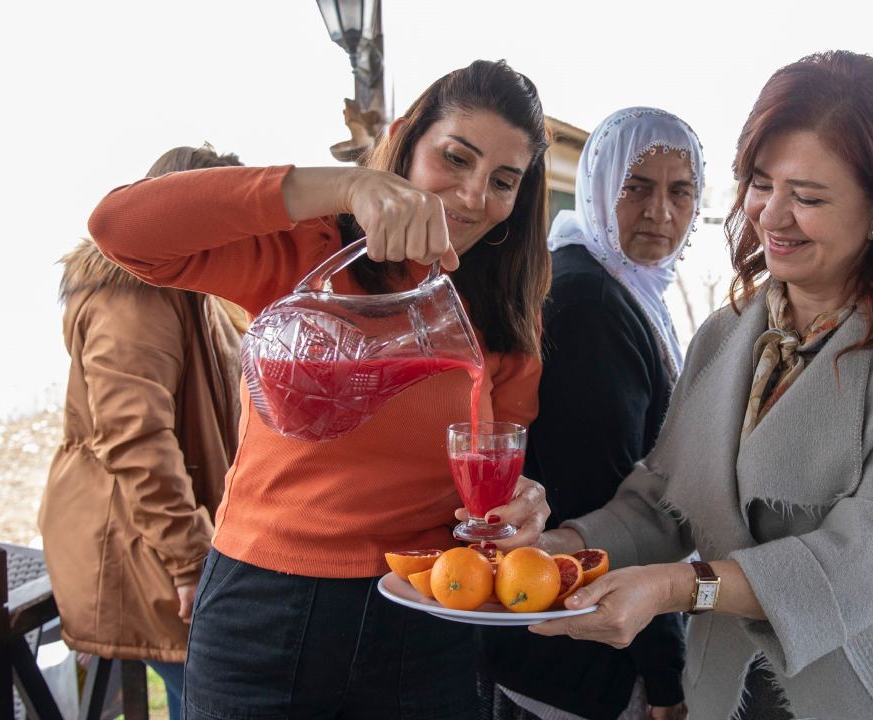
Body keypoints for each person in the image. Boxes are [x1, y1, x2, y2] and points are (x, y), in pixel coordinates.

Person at [529, 51, 873, 719]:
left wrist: (673, 588)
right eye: (760, 183)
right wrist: (564, 547)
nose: (770, 216)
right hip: (731, 691)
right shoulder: (728, 332)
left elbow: (857, 560)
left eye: (806, 196)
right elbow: (664, 502)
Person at [88, 60, 553, 719]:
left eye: (503, 182)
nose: (475, 196)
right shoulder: (310, 249)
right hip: (262, 610)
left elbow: (493, 462)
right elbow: (120, 229)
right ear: (405, 140)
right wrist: (346, 185)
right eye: (456, 158)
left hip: (427, 612)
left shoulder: (508, 309)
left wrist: (522, 506)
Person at [478, 108, 701, 720]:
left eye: (680, 190)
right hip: (582, 654)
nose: (661, 212)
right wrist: (667, 677)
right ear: (599, 186)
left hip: (568, 635)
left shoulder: (619, 284)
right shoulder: (593, 306)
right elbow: (608, 505)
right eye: (636, 187)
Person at [41, 144, 246, 720]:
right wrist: (188, 561)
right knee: (205, 695)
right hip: (139, 547)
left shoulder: (194, 285)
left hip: (165, 539)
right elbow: (137, 440)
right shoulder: (132, 293)